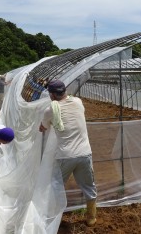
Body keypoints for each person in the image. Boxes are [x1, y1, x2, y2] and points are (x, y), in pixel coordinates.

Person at [39, 79, 97, 226]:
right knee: (89, 186)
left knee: (55, 186)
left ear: (51, 95)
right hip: (85, 154)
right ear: (64, 91)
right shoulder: (78, 102)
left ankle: (52, 217)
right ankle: (91, 218)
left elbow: (42, 128)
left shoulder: (50, 110)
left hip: (65, 156)